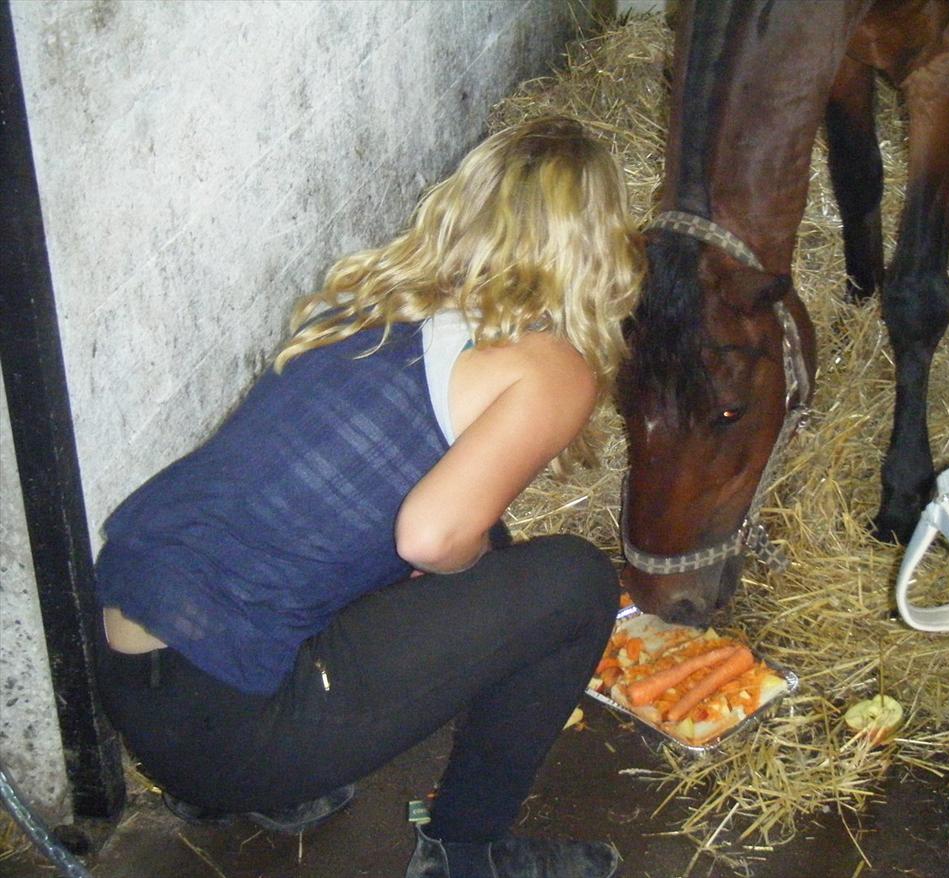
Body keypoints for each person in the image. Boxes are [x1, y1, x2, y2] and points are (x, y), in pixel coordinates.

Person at [93, 116, 645, 878]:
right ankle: (465, 850)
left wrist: (477, 552)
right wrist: (471, 554)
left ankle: (232, 787)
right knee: (574, 581)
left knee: (480, 544)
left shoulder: (381, 297)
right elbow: (427, 538)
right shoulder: (551, 365)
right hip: (228, 728)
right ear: (598, 245)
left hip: (130, 671)